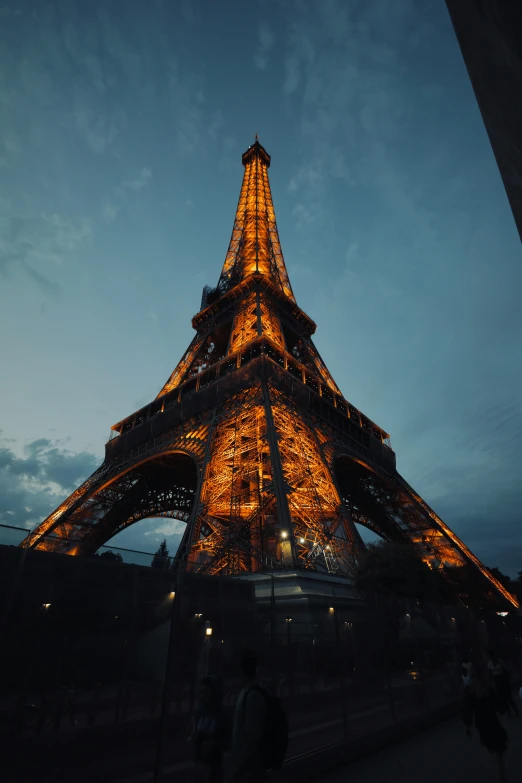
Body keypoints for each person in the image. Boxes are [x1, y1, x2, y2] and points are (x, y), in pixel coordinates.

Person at [228, 649, 267, 783]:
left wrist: (238, 766)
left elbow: (251, 737)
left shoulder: (251, 696)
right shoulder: (252, 693)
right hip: (249, 765)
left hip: (248, 767)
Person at [463, 671, 509, 783]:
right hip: (490, 720)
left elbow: (468, 709)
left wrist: (468, 726)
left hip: (483, 722)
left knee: (495, 747)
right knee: (498, 747)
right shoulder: (486, 687)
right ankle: (501, 775)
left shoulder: (471, 690)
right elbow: (498, 705)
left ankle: (501, 775)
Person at [189, 675, 228, 783]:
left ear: (213, 694)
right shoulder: (199, 712)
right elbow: (192, 737)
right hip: (199, 766)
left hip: (214, 771)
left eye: (204, 692)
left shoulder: (222, 716)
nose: (201, 696)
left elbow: (228, 743)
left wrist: (214, 744)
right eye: (200, 692)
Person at [488, 649, 519, 717]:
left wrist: (508, 676)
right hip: (497, 680)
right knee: (502, 698)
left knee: (508, 697)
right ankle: (509, 712)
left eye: (491, 655)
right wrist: (490, 683)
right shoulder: (490, 663)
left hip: (503, 679)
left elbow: (506, 669)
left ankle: (516, 711)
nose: (491, 657)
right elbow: (490, 674)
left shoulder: (499, 661)